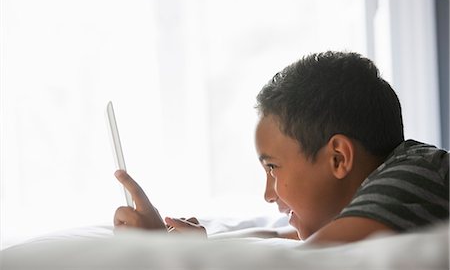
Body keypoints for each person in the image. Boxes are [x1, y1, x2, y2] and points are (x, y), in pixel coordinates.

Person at [114, 51, 449, 244]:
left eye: (273, 167)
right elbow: (285, 241)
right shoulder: (381, 200)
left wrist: (163, 255)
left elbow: (314, 261)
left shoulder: (416, 177)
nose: (268, 194)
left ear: (338, 158)